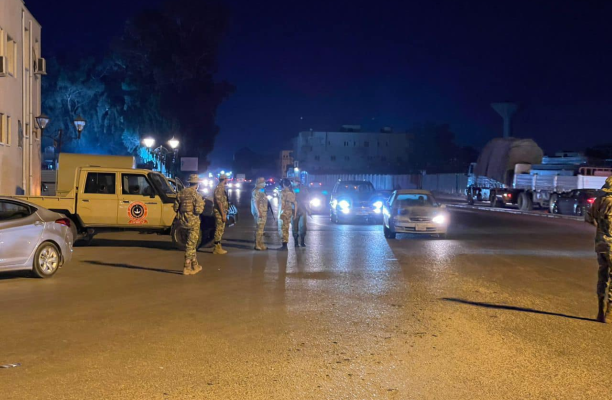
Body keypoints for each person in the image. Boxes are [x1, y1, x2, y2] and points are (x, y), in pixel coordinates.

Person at [587, 176, 612, 323]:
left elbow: (589, 218)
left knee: (602, 276)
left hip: (600, 245)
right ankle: (610, 312)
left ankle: (600, 311)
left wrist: (601, 231)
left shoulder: (598, 202)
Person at [173, 174, 204, 275]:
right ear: (197, 184)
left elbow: (175, 208)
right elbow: (199, 210)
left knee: (191, 244)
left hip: (182, 222)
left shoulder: (181, 193)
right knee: (191, 245)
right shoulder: (196, 195)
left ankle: (195, 265)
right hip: (193, 223)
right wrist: (202, 204)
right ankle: (187, 267)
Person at [278, 178, 297, 251]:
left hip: (284, 212)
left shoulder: (282, 192)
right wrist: (294, 213)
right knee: (287, 227)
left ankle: (284, 245)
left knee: (283, 228)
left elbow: (282, 204)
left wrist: (280, 213)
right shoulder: (292, 192)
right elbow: (295, 203)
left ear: (283, 184)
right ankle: (285, 244)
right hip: (289, 212)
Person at [213, 173, 229, 255]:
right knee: (219, 229)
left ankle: (218, 246)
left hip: (222, 211)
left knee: (221, 229)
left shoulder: (222, 188)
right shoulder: (219, 188)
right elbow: (219, 202)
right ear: (224, 179)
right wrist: (223, 214)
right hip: (219, 212)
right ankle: (216, 248)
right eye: (227, 179)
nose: (228, 180)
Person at [251, 177, 269, 251]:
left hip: (263, 211)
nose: (265, 183)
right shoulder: (257, 190)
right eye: (263, 182)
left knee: (261, 229)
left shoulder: (261, 190)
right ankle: (257, 244)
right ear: (259, 183)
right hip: (260, 212)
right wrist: (259, 212)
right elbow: (256, 201)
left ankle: (261, 243)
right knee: (259, 228)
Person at [292, 180, 311, 247]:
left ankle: (302, 241)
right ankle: (296, 242)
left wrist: (308, 209)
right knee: (295, 227)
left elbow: (308, 199)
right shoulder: (291, 189)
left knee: (302, 226)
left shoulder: (303, 189)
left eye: (296, 181)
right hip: (294, 210)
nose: (295, 183)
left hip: (302, 210)